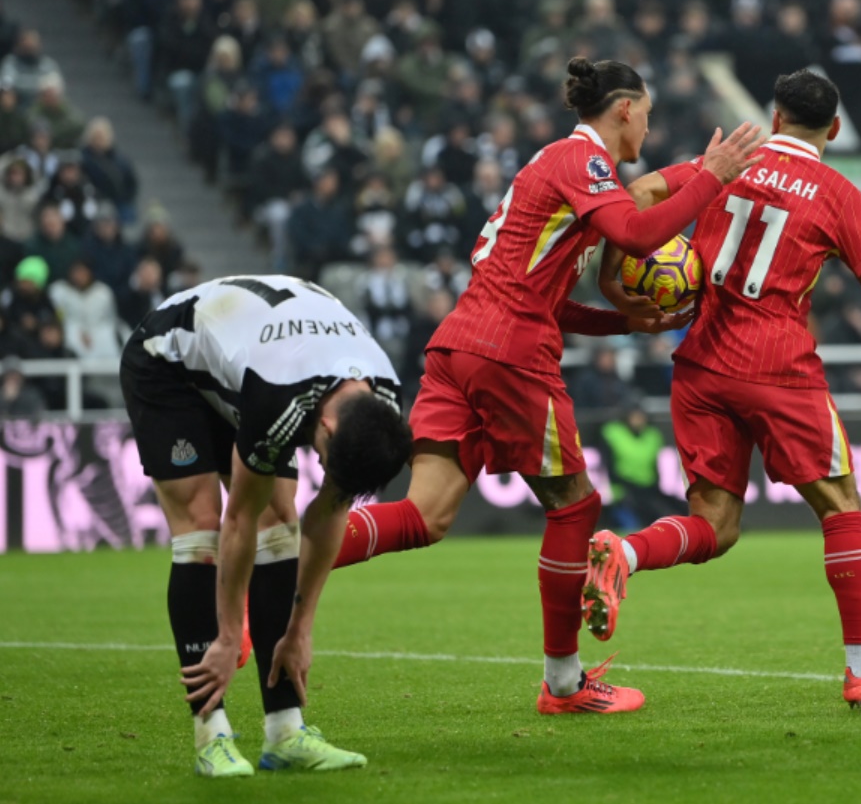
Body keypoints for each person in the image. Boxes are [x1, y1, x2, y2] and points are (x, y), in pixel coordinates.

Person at [328, 57, 763, 715]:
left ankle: (272, 562)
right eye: (645, 111)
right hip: (509, 351)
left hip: (459, 343)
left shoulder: (552, 167)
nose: (648, 123)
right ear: (623, 109)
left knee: (423, 514)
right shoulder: (583, 160)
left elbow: (545, 294)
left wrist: (624, 320)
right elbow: (640, 234)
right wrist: (712, 175)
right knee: (574, 507)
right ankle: (563, 682)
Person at [589, 69, 861, 708]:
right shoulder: (841, 195)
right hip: (778, 366)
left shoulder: (727, 162)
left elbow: (636, 195)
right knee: (841, 504)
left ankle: (625, 554)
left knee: (714, 526)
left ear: (775, 118)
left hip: (700, 364)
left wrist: (616, 283)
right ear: (834, 129)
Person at [119, 274, 412, 777]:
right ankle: (210, 732)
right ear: (326, 427)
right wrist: (231, 633)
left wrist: (301, 629)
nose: (321, 469)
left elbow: (328, 513)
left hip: (252, 361)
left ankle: (285, 731)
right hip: (168, 361)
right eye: (324, 458)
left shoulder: (382, 404)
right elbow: (238, 522)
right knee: (202, 531)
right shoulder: (282, 401)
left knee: (282, 523)